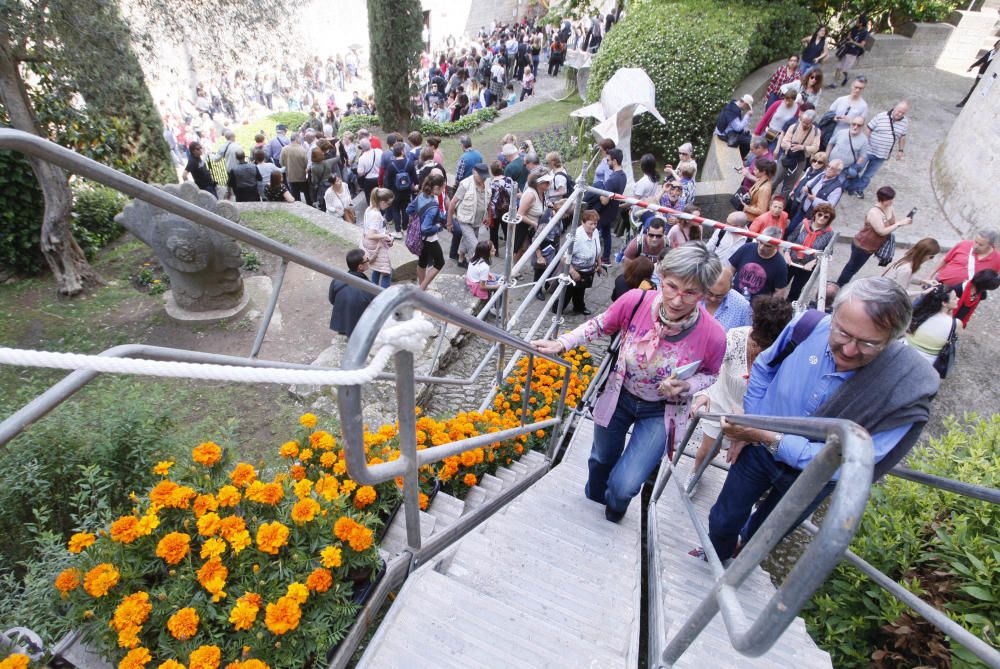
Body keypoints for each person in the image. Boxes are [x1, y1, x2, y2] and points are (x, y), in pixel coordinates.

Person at [702, 277, 939, 564]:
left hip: (812, 475)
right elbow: (765, 367)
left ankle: (736, 558)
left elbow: (858, 462)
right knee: (723, 521)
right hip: (758, 450)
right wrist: (752, 424)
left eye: (867, 343)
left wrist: (764, 435)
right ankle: (717, 555)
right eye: (842, 333)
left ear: (893, 339)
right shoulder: (807, 327)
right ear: (834, 314)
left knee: (765, 534)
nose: (850, 350)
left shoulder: (905, 388)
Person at [532, 243, 727, 522]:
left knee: (626, 485)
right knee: (601, 458)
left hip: (661, 410)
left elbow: (711, 373)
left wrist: (687, 386)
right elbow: (600, 324)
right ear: (662, 276)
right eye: (671, 286)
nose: (677, 300)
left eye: (690, 293)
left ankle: (614, 511)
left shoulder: (713, 334)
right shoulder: (637, 301)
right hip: (619, 394)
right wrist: (563, 343)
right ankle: (593, 504)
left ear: (704, 294)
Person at [686, 296, 794, 494]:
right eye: (756, 340)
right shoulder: (735, 337)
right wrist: (703, 393)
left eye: (765, 345)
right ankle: (695, 472)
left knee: (743, 455)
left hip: (753, 411)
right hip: (721, 399)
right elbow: (710, 365)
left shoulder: (785, 354)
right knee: (710, 449)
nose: (758, 347)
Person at [836, 186, 913, 286]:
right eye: (889, 200)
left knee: (854, 267)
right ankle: (839, 285)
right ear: (881, 199)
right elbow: (881, 231)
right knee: (852, 268)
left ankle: (840, 284)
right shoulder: (874, 212)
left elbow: (892, 224)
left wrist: (902, 222)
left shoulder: (890, 207)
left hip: (872, 246)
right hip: (863, 245)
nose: (891, 202)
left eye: (892, 199)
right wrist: (899, 224)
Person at [846, 102, 910, 199]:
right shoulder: (881, 116)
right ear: (894, 108)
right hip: (868, 150)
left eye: (903, 113)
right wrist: (864, 144)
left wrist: (901, 150)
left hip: (882, 155)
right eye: (899, 111)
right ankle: (849, 185)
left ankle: (859, 189)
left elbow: (902, 136)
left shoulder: (905, 122)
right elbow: (868, 129)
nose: (900, 114)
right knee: (855, 169)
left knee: (868, 175)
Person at [784, 203, 836, 302]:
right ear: (815, 214)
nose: (822, 218)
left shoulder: (829, 234)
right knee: (781, 284)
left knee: (795, 291)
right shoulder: (804, 224)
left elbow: (828, 254)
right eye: (820, 214)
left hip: (807, 267)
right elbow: (791, 239)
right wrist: (787, 253)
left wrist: (814, 262)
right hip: (791, 261)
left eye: (826, 217)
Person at [407, 173, 449, 290]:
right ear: (436, 188)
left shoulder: (421, 195)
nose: (443, 190)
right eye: (443, 188)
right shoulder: (433, 205)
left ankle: (421, 286)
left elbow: (409, 209)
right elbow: (425, 229)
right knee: (440, 262)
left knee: (423, 261)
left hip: (418, 237)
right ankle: (422, 289)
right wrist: (438, 226)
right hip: (429, 239)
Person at [558, 209, 604, 315]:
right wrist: (573, 272)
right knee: (568, 292)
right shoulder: (576, 237)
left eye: (595, 223)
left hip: (587, 270)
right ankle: (557, 308)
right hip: (574, 270)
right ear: (583, 222)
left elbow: (596, 249)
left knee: (581, 290)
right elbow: (564, 257)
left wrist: (599, 263)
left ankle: (579, 307)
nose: (593, 226)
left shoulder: (595, 232)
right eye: (590, 224)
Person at [785, 159, 844, 241]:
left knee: (802, 236)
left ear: (838, 172)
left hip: (813, 217)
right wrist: (806, 187)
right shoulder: (821, 175)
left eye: (832, 168)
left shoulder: (837, 188)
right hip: (802, 210)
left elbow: (830, 206)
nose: (829, 169)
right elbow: (809, 183)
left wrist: (814, 199)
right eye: (828, 166)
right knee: (790, 229)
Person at [448, 163, 491, 267]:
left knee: (467, 240)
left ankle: (461, 259)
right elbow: (452, 203)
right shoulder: (465, 184)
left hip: (478, 221)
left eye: (485, 176)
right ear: (474, 172)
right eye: (481, 176)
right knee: (475, 245)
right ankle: (476, 267)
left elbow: (488, 202)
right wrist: (449, 222)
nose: (483, 179)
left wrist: (488, 216)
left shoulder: (488, 182)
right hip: (464, 221)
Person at [728, 228, 789, 300]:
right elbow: (730, 270)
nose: (761, 247)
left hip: (756, 308)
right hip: (732, 297)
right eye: (760, 242)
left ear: (776, 246)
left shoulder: (780, 265)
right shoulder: (747, 248)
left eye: (767, 246)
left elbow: (779, 293)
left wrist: (766, 308)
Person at [905, 285, 959, 366]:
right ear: (944, 303)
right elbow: (951, 338)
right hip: (927, 362)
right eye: (954, 298)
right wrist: (950, 312)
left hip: (904, 350)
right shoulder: (955, 323)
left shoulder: (917, 313)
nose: (958, 299)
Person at [328, 249, 376, 338]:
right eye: (367, 260)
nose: (369, 260)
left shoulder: (337, 280)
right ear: (360, 267)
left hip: (342, 323)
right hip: (359, 327)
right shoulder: (370, 288)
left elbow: (331, 299)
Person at [928, 229, 1000, 288]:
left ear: (990, 245)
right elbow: (945, 260)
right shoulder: (963, 244)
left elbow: (993, 281)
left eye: (980, 245)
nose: (975, 246)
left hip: (960, 295)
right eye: (976, 242)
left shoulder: (997, 260)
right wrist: (930, 275)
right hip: (939, 283)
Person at [773, 109, 820, 192]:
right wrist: (790, 146)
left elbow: (815, 148)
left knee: (788, 187)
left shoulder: (817, 132)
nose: (804, 125)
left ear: (812, 122)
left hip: (800, 161)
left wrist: (802, 147)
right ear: (801, 118)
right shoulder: (793, 126)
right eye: (803, 122)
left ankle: (782, 203)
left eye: (807, 123)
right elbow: (784, 142)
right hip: (787, 157)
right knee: (774, 181)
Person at [513, 170, 552, 265]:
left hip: (533, 226)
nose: (549, 184)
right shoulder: (530, 195)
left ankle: (515, 267)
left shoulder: (542, 192)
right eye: (546, 182)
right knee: (520, 249)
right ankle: (512, 270)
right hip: (523, 225)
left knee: (525, 249)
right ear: (538, 183)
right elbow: (519, 214)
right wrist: (534, 223)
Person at [597, 148, 627, 264]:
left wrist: (598, 192)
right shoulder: (623, 176)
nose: (607, 162)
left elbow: (604, 201)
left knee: (592, 235)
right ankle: (606, 258)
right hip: (613, 212)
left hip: (604, 212)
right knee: (606, 234)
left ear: (614, 161)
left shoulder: (612, 180)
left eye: (608, 160)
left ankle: (595, 260)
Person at [701, 265, 752, 331]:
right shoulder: (695, 295)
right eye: (709, 293)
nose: (712, 299)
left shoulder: (742, 306)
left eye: (719, 296)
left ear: (731, 287)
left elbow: (747, 334)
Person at [384, 142, 418, 236]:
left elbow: (387, 182)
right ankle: (405, 229)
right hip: (407, 192)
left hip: (395, 192)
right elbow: (415, 179)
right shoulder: (409, 163)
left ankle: (398, 231)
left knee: (395, 210)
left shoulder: (391, 166)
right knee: (405, 210)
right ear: (402, 151)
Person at [363, 188, 395, 288]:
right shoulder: (376, 215)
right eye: (388, 204)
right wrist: (385, 236)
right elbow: (371, 234)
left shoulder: (370, 208)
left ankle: (373, 291)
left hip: (370, 245)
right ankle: (383, 296)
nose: (389, 206)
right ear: (382, 202)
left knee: (377, 269)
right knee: (386, 272)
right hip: (377, 246)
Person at [830, 15, 871, 89]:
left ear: (861, 23)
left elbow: (862, 45)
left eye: (858, 21)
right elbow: (848, 36)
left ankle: (846, 76)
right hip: (846, 50)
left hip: (853, 53)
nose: (856, 22)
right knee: (838, 67)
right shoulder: (854, 28)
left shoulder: (865, 33)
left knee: (844, 69)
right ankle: (834, 83)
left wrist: (852, 41)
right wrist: (848, 38)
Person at [826, 116, 869, 184]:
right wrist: (826, 156)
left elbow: (862, 156)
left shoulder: (864, 140)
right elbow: (830, 143)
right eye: (854, 124)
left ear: (862, 126)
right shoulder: (841, 132)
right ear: (850, 123)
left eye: (859, 125)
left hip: (843, 170)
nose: (855, 127)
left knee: (835, 187)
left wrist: (854, 168)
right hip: (830, 165)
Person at [957, 39, 999, 107]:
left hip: (987, 76)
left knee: (975, 89)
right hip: (980, 74)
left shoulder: (997, 57)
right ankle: (965, 102)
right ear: (996, 44)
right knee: (974, 88)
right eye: (998, 44)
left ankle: (964, 103)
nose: (999, 46)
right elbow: (982, 60)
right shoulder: (991, 51)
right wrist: (972, 66)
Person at [466, 240, 501, 313]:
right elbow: (482, 286)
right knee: (501, 288)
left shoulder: (476, 254)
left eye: (494, 248)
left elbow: (478, 271)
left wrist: (489, 274)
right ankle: (496, 309)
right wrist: (497, 286)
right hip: (477, 285)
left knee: (501, 278)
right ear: (485, 254)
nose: (495, 250)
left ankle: (494, 305)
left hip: (471, 279)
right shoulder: (484, 267)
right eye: (492, 250)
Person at [741, 159, 777, 224]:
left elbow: (762, 210)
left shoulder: (765, 188)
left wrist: (747, 208)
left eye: (756, 169)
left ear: (763, 172)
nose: (753, 171)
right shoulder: (760, 180)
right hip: (747, 215)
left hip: (750, 219)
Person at [280, 133, 310, 205]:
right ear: (297, 139)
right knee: (307, 194)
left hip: (291, 176)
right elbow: (306, 164)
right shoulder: (302, 149)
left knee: (295, 195)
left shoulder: (284, 149)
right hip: (302, 177)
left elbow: (281, 163)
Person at [355, 138, 383, 205]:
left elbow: (360, 173)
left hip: (369, 181)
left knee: (370, 197)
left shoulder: (362, 158)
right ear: (370, 144)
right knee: (381, 195)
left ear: (362, 148)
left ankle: (372, 210)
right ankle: (382, 210)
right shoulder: (379, 151)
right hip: (380, 178)